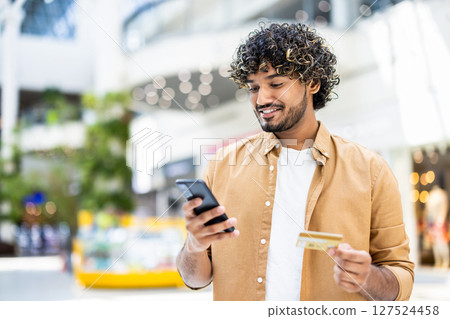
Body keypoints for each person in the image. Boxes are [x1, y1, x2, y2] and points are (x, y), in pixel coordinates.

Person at [176, 23, 414, 301]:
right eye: (254, 88)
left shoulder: (371, 170)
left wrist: (368, 278)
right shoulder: (221, 166)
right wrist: (194, 246)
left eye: (276, 84)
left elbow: (401, 278)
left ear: (312, 83)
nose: (262, 99)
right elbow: (195, 279)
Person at [425, 175, 449, 268]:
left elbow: (444, 208)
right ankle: (438, 261)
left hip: (439, 221)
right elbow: (428, 210)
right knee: (435, 243)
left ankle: (445, 261)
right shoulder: (431, 195)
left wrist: (441, 219)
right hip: (432, 221)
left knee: (441, 242)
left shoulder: (442, 194)